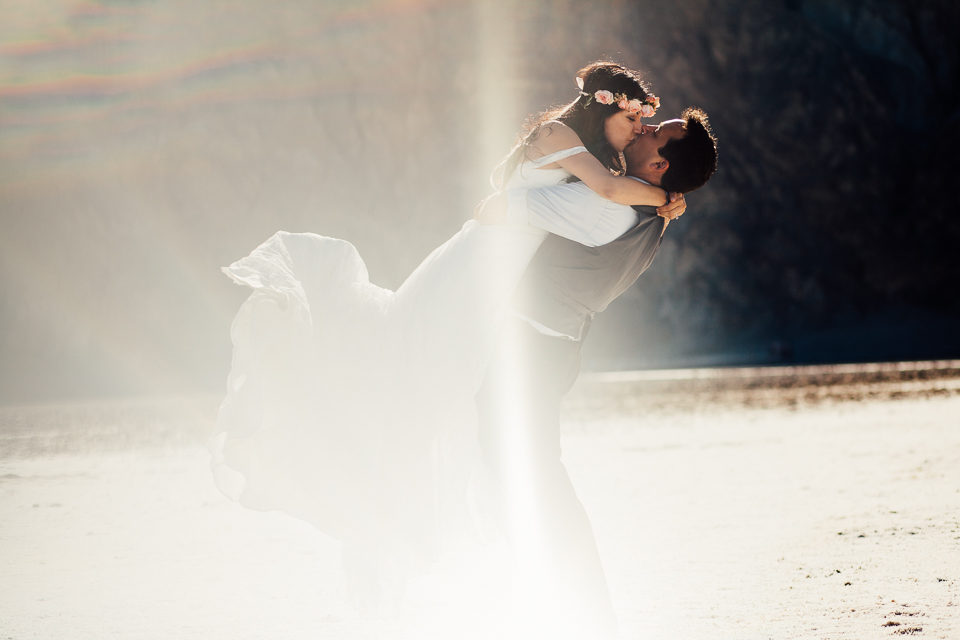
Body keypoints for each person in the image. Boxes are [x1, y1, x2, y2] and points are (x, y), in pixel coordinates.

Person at [207, 61, 684, 621]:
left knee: (444, 421)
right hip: (478, 265)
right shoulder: (565, 141)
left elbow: (595, 193)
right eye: (635, 119)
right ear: (607, 107)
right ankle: (520, 592)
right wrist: (662, 199)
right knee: (423, 398)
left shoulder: (601, 170)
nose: (637, 130)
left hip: (498, 276)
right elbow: (576, 194)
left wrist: (663, 197)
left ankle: (470, 584)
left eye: (647, 128)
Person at [474, 106, 719, 638]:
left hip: (528, 349)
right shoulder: (640, 206)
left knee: (525, 477)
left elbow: (496, 208)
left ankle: (575, 611)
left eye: (659, 132)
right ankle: (568, 606)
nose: (646, 127)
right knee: (520, 475)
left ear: (658, 166)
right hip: (548, 348)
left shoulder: (608, 206)